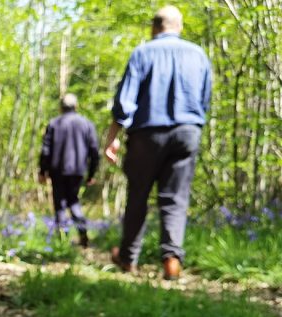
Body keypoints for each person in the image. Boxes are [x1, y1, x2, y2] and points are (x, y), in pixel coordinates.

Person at [104, 5, 212, 280]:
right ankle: (171, 261)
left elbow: (125, 101)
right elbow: (205, 98)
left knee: (138, 195)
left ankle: (128, 259)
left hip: (147, 134)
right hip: (187, 131)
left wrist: (113, 137)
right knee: (175, 198)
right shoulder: (198, 55)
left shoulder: (143, 52)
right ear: (180, 27)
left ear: (154, 27)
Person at [39, 93, 100, 248]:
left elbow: (46, 150)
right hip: (77, 171)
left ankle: (62, 240)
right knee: (73, 201)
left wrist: (42, 171)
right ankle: (82, 235)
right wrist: (92, 173)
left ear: (61, 107)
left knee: (60, 203)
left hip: (57, 170)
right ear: (76, 106)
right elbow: (94, 151)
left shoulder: (54, 124)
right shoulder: (86, 124)